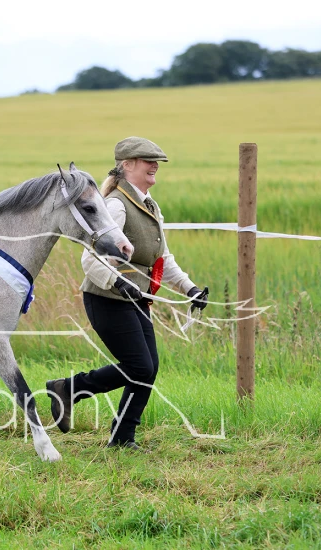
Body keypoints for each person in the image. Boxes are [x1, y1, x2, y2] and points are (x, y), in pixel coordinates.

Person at [46, 136, 207, 451]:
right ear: (127, 165)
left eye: (156, 161)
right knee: (140, 367)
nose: (154, 165)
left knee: (148, 369)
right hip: (106, 299)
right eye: (148, 160)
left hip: (136, 300)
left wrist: (190, 289)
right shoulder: (117, 205)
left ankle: (121, 438)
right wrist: (118, 282)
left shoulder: (148, 204)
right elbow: (90, 259)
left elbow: (161, 258)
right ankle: (70, 389)